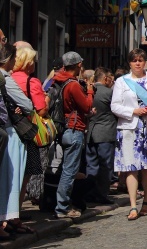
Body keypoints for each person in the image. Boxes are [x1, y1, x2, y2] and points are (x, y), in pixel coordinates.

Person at [110, 49, 147, 220]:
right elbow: (115, 106)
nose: (138, 63)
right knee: (130, 167)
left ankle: (146, 200)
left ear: (145, 62)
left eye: (141, 60)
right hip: (129, 127)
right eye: (134, 60)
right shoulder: (121, 82)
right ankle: (133, 205)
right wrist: (133, 110)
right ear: (129, 63)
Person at [52, 51, 94, 219]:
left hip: (65, 128)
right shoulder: (73, 84)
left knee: (66, 169)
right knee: (69, 171)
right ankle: (62, 207)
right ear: (78, 65)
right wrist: (90, 92)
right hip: (74, 129)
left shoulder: (60, 81)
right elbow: (86, 106)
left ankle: (60, 204)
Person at [0, 43, 33, 236]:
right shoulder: (6, 77)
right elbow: (27, 105)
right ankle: (7, 219)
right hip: (9, 131)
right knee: (9, 178)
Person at [11, 45, 46, 208]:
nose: (35, 64)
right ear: (27, 63)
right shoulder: (31, 81)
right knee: (25, 173)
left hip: (9, 127)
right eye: (33, 61)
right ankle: (15, 212)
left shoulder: (9, 77)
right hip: (26, 131)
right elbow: (41, 109)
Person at [85, 67, 116, 204]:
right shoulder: (109, 93)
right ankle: (101, 194)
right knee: (105, 166)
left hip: (90, 133)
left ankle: (89, 193)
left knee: (91, 165)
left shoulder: (88, 91)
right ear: (105, 79)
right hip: (105, 133)